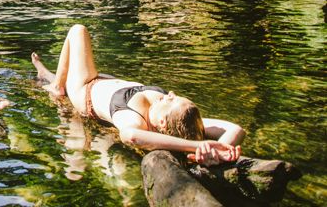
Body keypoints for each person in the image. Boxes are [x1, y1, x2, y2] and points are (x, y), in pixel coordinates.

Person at [31, 24, 245, 165]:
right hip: (108, 82)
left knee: (78, 30)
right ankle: (49, 76)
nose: (169, 93)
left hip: (85, 88)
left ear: (161, 122)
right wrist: (218, 151)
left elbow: (130, 137)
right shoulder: (184, 120)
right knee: (71, 49)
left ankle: (56, 84)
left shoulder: (135, 120)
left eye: (168, 99)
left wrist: (197, 147)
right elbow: (235, 128)